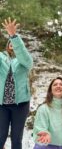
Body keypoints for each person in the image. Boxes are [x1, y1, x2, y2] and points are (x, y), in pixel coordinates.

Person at [0, 18, 33, 149]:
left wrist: (14, 36)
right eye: (11, 42)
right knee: (0, 136)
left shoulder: (24, 61)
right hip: (2, 105)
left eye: (15, 43)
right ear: (7, 46)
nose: (12, 45)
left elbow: (27, 61)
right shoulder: (1, 58)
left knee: (16, 137)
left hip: (20, 105)